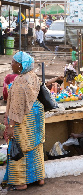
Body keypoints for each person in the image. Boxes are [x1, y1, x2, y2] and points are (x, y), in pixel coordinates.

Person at [3, 51, 45, 190]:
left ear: (20, 65)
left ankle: (21, 182)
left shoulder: (20, 82)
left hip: (24, 118)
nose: (12, 64)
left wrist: (10, 126)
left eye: (14, 62)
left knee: (19, 147)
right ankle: (39, 178)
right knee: (36, 146)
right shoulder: (33, 76)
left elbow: (16, 108)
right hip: (36, 115)